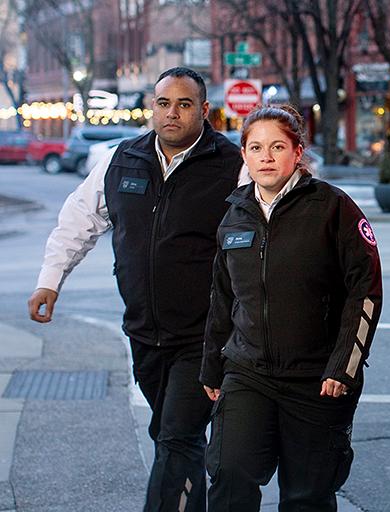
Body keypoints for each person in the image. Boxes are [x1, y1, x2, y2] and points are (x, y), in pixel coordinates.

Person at [27, 67, 246, 512]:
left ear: (204, 111)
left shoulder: (232, 165)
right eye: (164, 103)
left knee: (178, 436)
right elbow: (78, 221)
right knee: (169, 437)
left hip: (204, 337)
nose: (172, 114)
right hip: (143, 332)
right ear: (152, 106)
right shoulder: (122, 159)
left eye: (185, 104)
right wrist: (51, 280)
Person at [200, 104, 382, 511]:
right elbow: (222, 299)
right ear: (244, 155)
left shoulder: (332, 208)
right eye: (256, 147)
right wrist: (212, 364)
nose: (266, 157)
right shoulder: (235, 216)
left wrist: (343, 367)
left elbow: (365, 291)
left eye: (278, 146)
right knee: (230, 476)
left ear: (297, 152)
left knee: (307, 496)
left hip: (316, 378)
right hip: (248, 373)